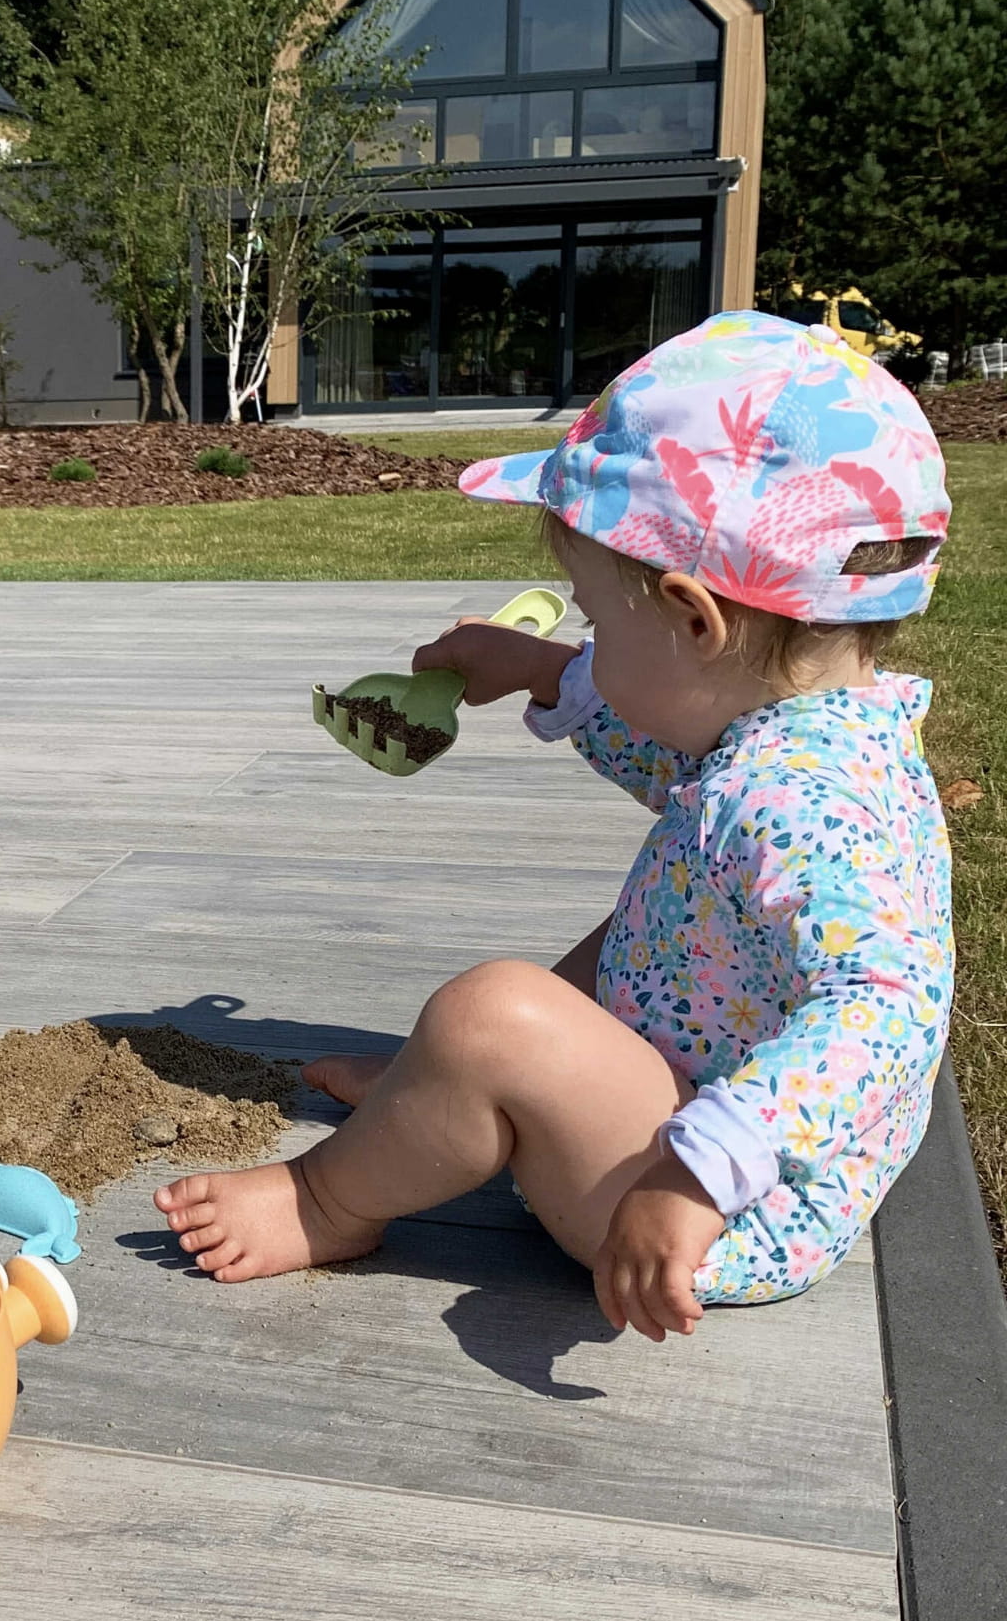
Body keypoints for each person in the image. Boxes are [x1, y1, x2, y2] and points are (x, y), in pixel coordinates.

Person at [155, 311, 955, 1340]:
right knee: (639, 926)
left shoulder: (802, 799)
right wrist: (543, 670)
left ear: (694, 618)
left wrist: (697, 1173)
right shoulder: (808, 729)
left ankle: (329, 1201)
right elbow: (680, 764)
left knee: (489, 1015)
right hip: (705, 1105)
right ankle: (434, 1099)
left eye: (593, 618)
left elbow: (887, 1009)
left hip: (713, 1205)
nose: (586, 636)